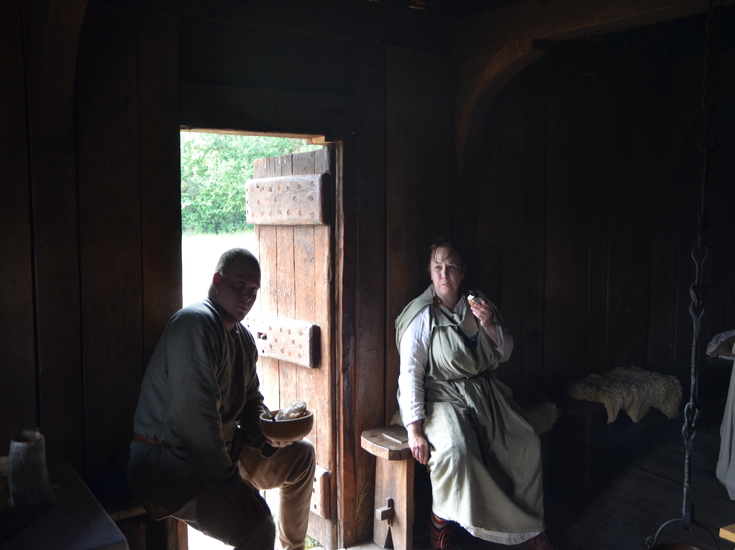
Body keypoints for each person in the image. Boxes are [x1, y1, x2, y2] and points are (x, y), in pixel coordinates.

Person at [128, 248, 315, 550]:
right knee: (257, 527)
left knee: (301, 457)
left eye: (253, 290)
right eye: (239, 284)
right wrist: (230, 483)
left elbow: (251, 401)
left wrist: (269, 434)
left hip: (223, 452)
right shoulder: (194, 325)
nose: (247, 296)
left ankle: (294, 547)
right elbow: (195, 419)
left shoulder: (242, 339)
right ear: (217, 280)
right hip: (171, 464)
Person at [395, 241, 556, 550]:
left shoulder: (478, 305)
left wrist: (489, 325)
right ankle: (440, 522)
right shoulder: (421, 315)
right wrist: (414, 430)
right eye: (438, 268)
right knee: (455, 451)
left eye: (451, 267)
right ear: (430, 272)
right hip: (441, 396)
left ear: (462, 272)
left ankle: (530, 529)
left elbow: (505, 352)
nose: (445, 274)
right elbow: (410, 373)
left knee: (524, 442)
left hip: (484, 392)